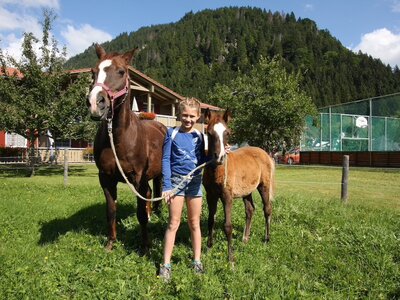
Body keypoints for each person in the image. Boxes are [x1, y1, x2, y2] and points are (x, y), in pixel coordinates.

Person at [159, 97, 207, 282]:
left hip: (195, 183)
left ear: (198, 117)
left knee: (194, 223)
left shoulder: (200, 137)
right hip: (176, 184)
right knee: (173, 223)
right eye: (185, 115)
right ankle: (166, 265)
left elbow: (204, 160)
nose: (188, 119)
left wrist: (222, 151)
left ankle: (196, 261)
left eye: (192, 116)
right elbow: (165, 160)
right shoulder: (171, 134)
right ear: (179, 114)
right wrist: (167, 186)